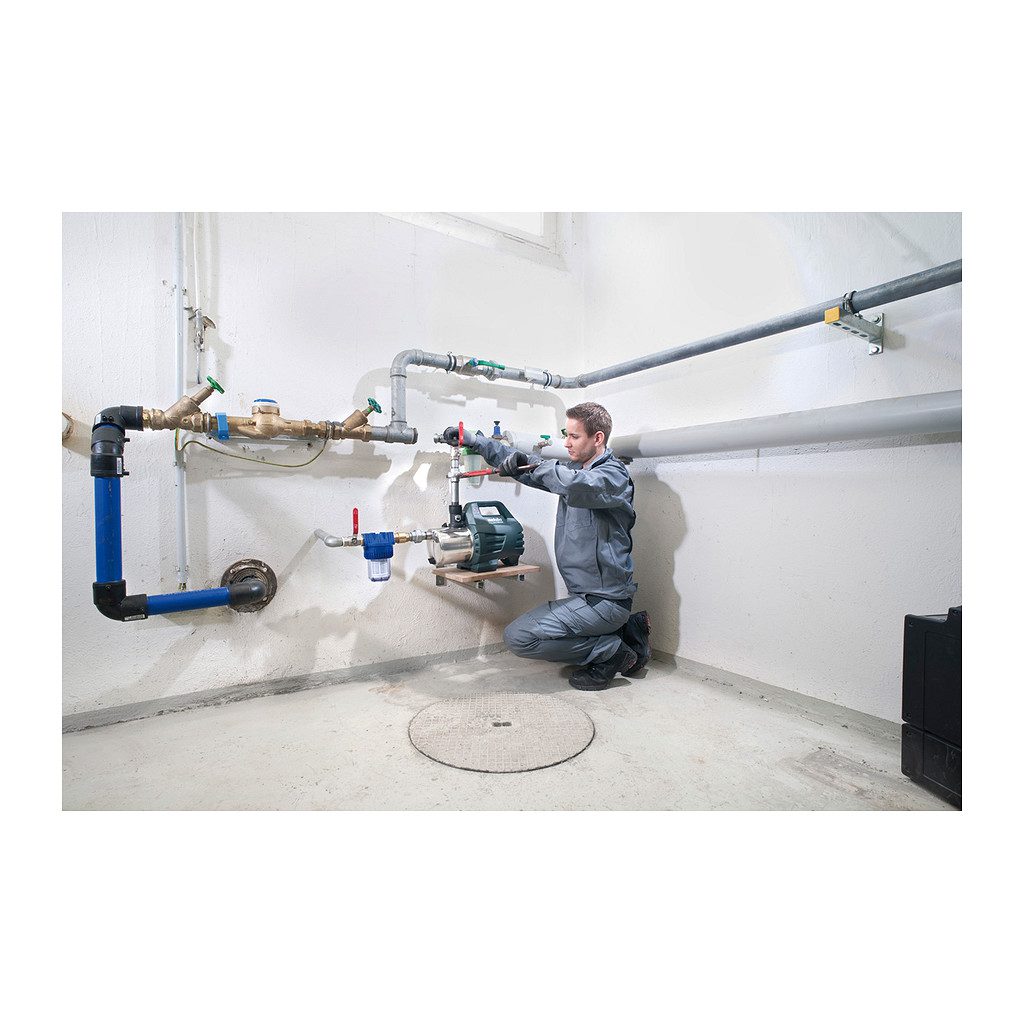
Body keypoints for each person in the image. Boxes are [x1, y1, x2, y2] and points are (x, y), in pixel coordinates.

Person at [441, 402, 651, 690]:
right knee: (531, 632)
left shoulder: (612, 477)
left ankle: (610, 652)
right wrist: (476, 442)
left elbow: (576, 484)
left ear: (598, 438)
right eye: (566, 435)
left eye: (574, 436)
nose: (566, 443)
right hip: (586, 598)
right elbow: (531, 469)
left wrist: (538, 466)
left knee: (519, 638)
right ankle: (627, 632)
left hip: (605, 602)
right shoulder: (575, 469)